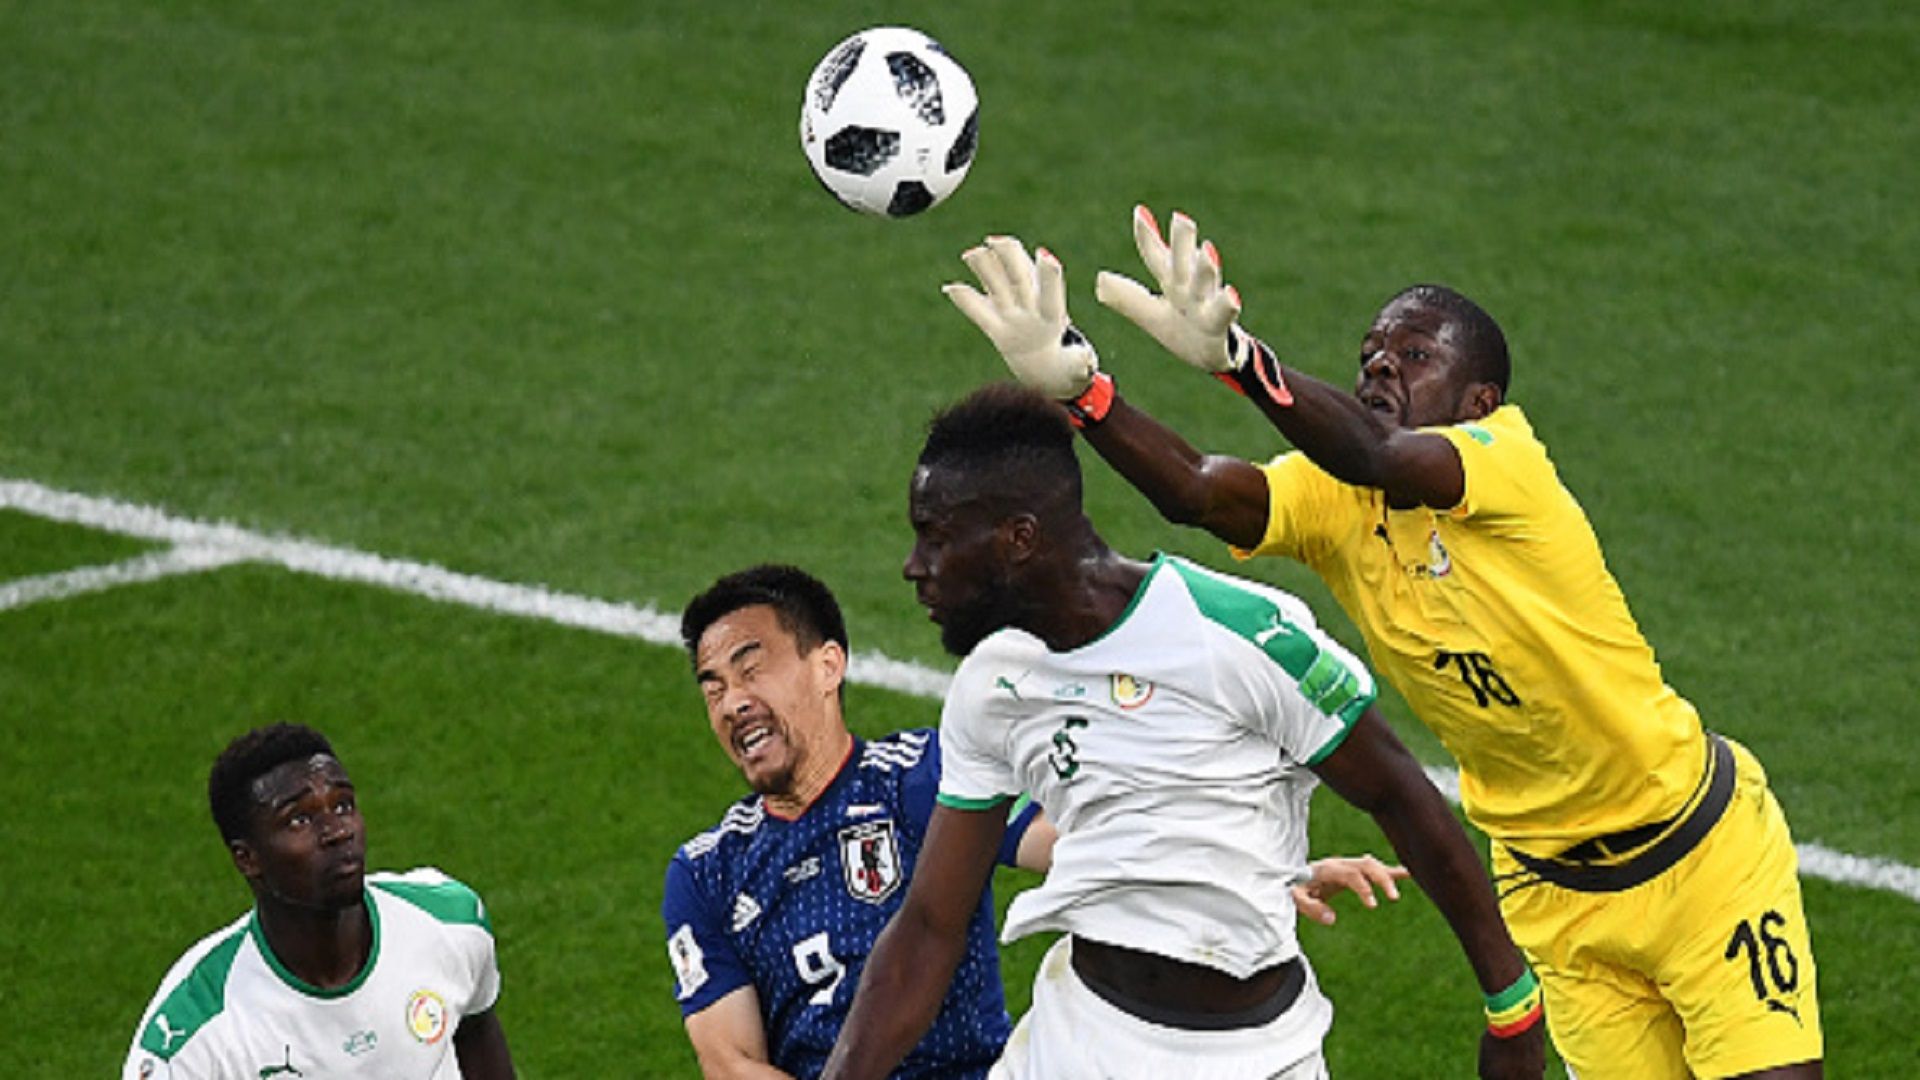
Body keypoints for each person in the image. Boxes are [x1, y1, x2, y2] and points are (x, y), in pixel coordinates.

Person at [946, 212, 1823, 1078]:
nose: (1380, 367)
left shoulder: (1505, 464)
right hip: (1553, 897)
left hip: (1697, 854)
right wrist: (1084, 393)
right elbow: (1198, 493)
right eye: (1371, 354)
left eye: (1414, 357)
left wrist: (1241, 362)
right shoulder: (1337, 504)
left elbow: (1376, 451)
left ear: (1480, 403)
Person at [820, 385, 1544, 1080]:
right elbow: (928, 927)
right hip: (1077, 1040)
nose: (915, 568)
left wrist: (1511, 1005)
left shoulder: (1241, 634)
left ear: (1018, 539)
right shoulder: (994, 683)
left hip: (1255, 1057)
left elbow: (1399, 795)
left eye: (936, 538)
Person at [666, 564, 1411, 1079]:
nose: (733, 702)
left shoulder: (924, 778)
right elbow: (729, 1061)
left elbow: (1091, 848)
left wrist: (1277, 875)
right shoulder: (705, 870)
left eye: (752, 667)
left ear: (828, 665)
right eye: (713, 687)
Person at [124, 723, 515, 1079]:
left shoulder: (449, 923)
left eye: (342, 805)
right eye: (299, 819)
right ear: (247, 858)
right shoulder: (192, 1034)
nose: (336, 831)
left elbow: (477, 1038)